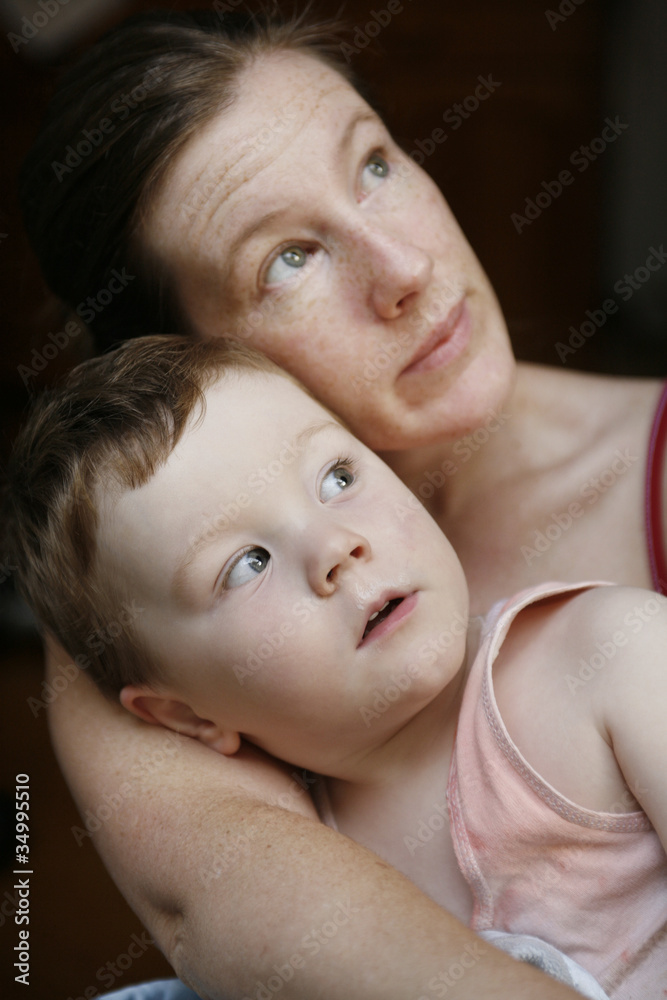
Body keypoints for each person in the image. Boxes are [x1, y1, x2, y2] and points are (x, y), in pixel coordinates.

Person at [17, 7, 667, 999]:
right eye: (287, 258)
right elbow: (230, 910)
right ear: (178, 367)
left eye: (373, 164)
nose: (406, 269)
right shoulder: (139, 591)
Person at [6, 334, 666, 999]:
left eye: (337, 478)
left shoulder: (609, 655)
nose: (334, 546)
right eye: (247, 565)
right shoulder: (294, 871)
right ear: (183, 714)